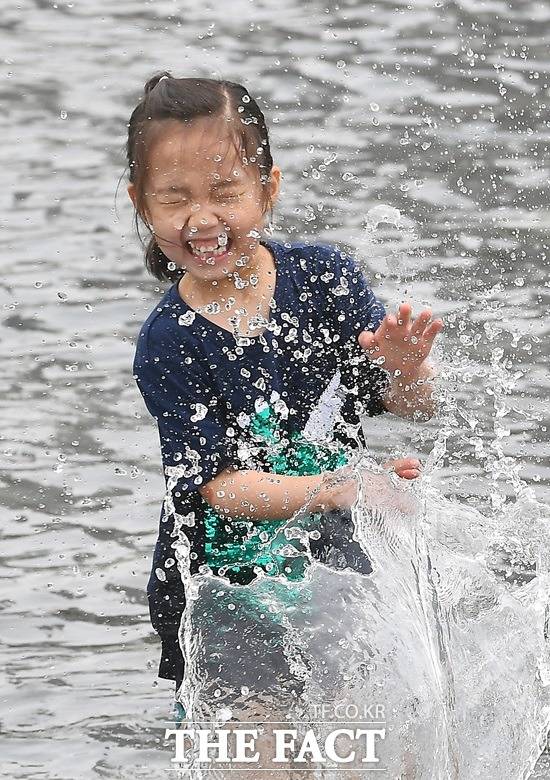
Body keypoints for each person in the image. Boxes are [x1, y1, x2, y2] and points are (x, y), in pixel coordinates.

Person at [126, 73, 444, 698]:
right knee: (257, 753)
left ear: (266, 190)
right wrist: (340, 488)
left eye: (224, 192)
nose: (202, 219)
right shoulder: (169, 342)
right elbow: (218, 490)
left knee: (359, 732)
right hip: (224, 588)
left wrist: (405, 369)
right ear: (143, 203)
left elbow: (415, 407)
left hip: (335, 561)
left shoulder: (324, 279)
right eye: (175, 199)